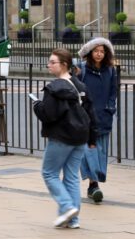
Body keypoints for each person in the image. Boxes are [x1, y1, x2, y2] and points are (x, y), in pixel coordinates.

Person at [32, 48, 97, 229]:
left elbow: (49, 115)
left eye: (53, 62)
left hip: (62, 136)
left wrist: (37, 105)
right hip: (80, 137)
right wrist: (92, 139)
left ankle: (67, 207)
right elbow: (90, 113)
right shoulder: (80, 86)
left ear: (64, 65)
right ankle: (73, 219)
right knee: (71, 177)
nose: (49, 65)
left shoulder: (54, 88)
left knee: (49, 173)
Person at [77, 37, 117, 203]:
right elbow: (75, 89)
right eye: (96, 51)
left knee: (100, 150)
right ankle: (94, 183)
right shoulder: (82, 69)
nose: (99, 54)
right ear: (90, 52)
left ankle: (93, 185)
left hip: (103, 115)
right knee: (87, 149)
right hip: (85, 116)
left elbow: (113, 92)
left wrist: (110, 108)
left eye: (102, 51)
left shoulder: (111, 70)